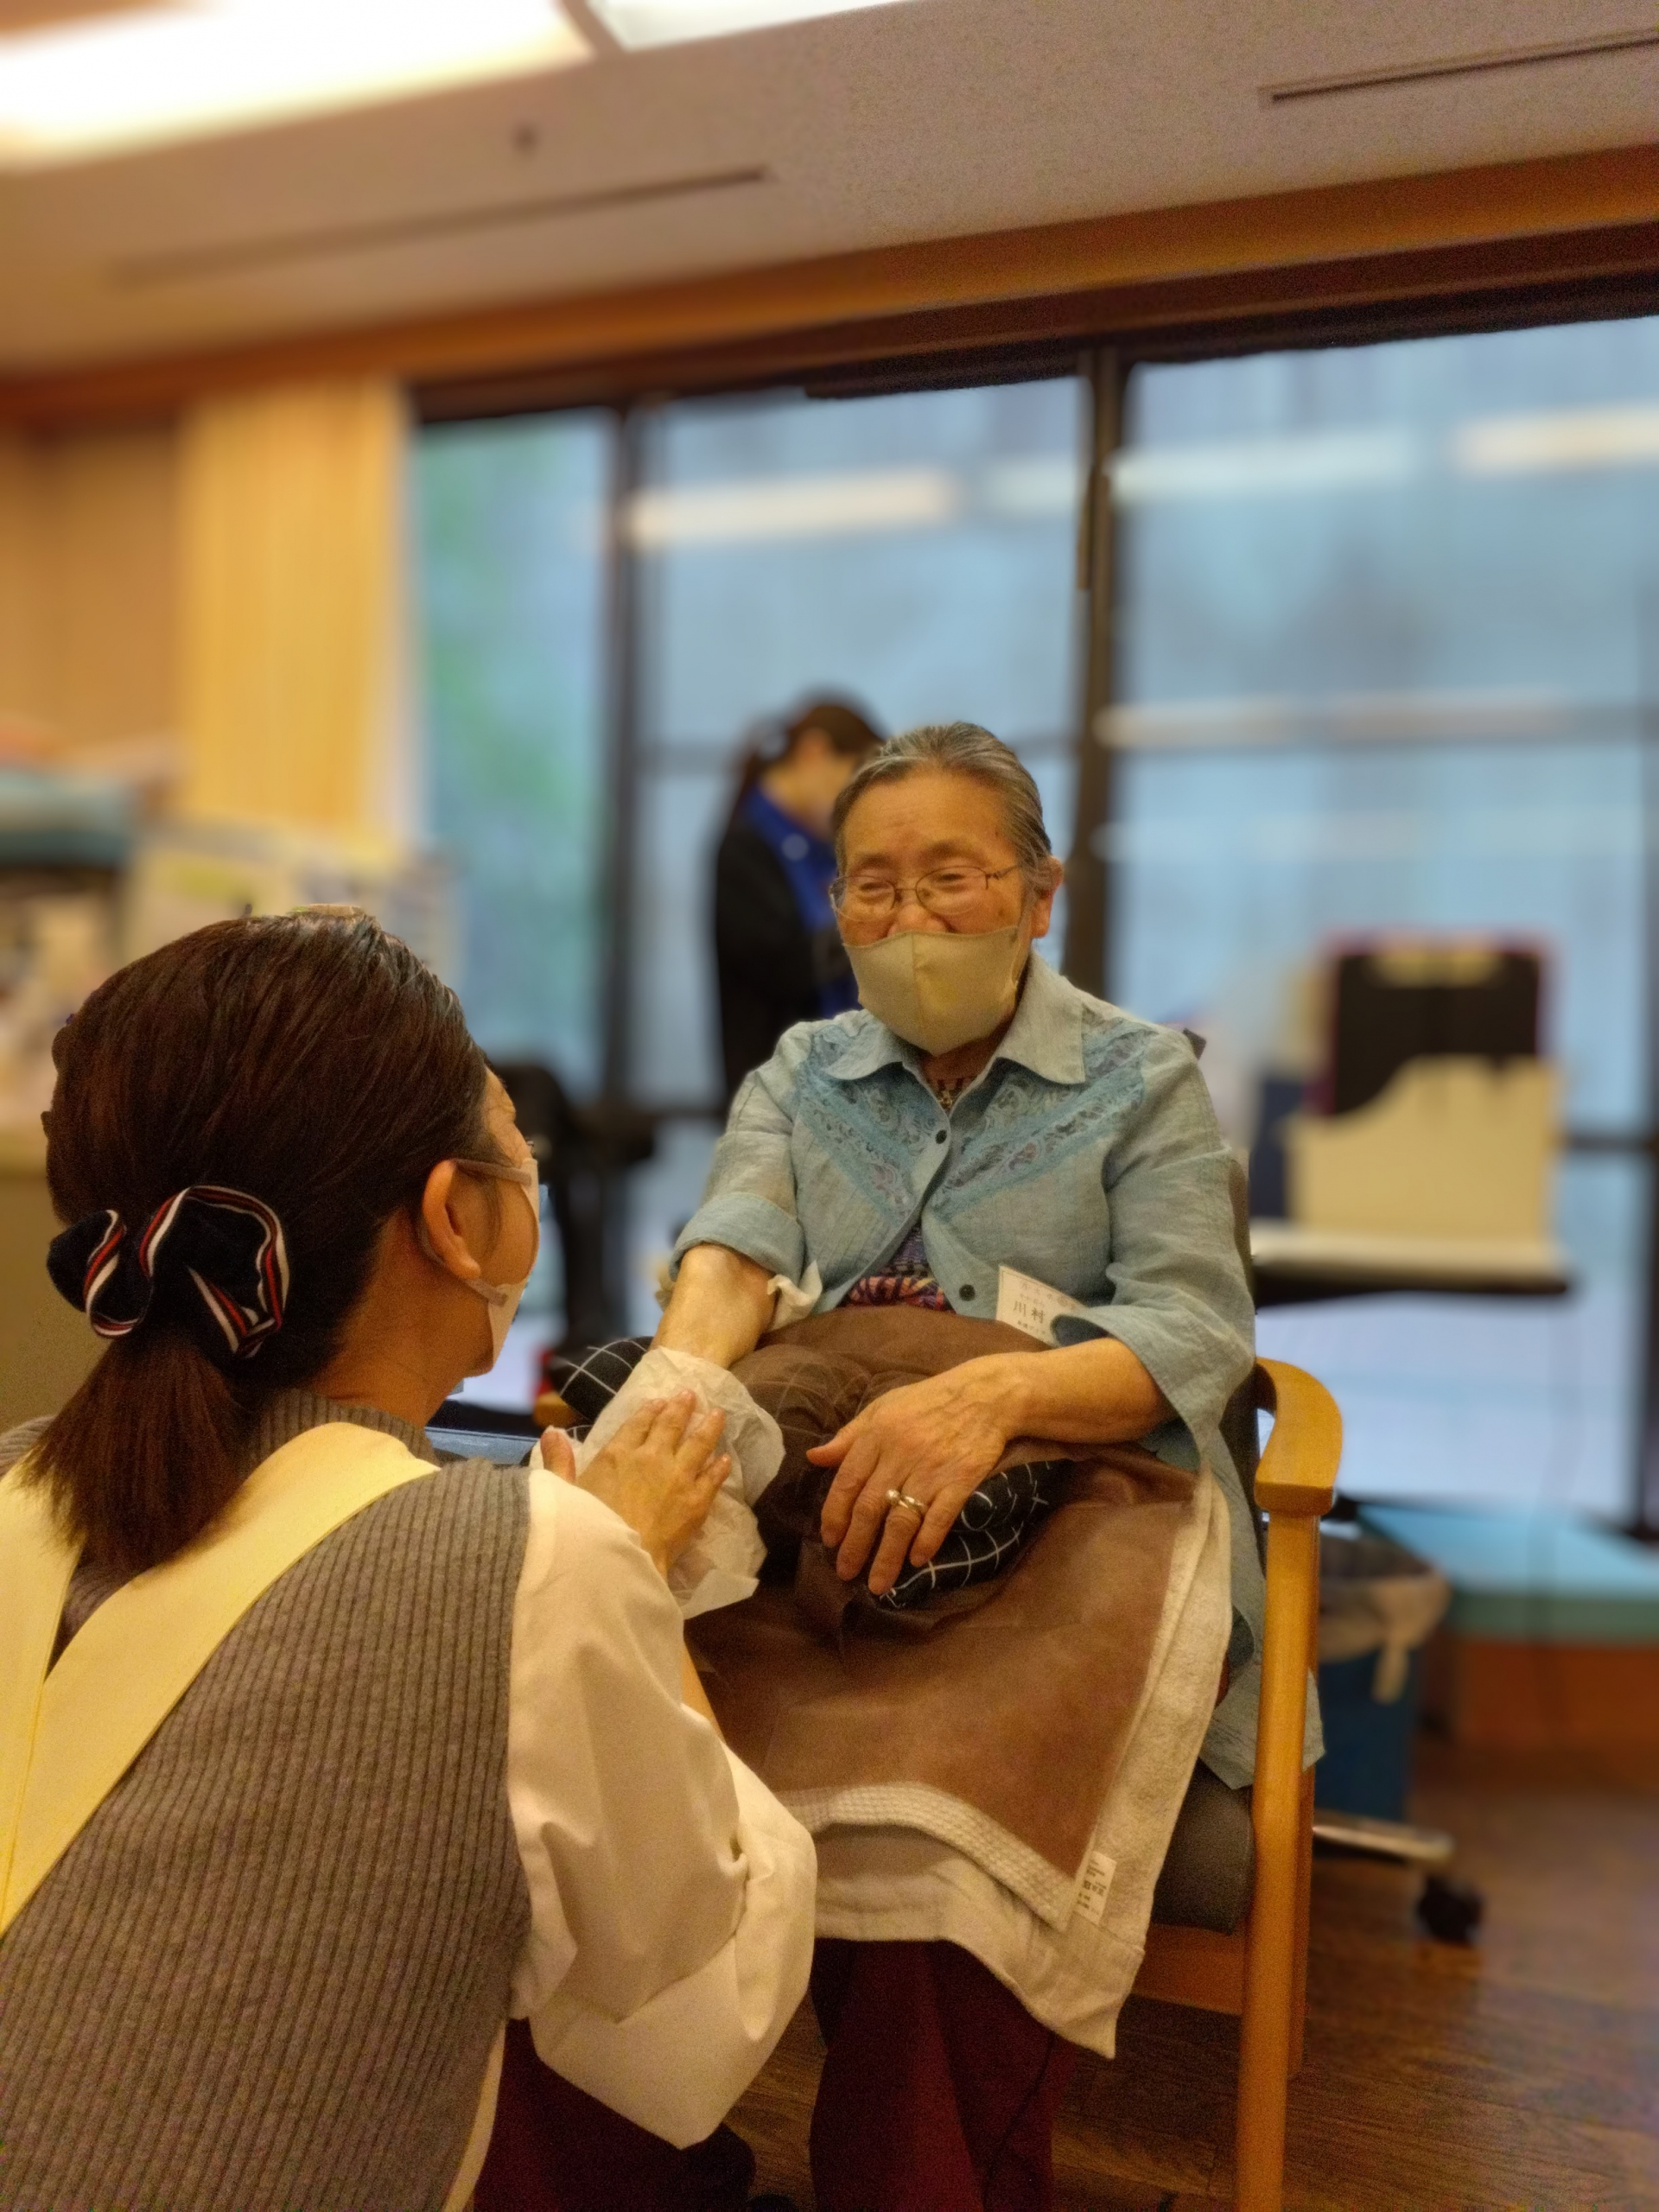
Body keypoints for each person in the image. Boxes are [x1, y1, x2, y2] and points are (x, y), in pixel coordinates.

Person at [0, 911, 815, 2212]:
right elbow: (696, 2026)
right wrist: (621, 1563)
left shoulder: (16, 1479)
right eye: (516, 1142)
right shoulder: (530, 1564)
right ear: (454, 1217)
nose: (531, 1170)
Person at [656, 721, 1263, 2212]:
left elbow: (1196, 1329)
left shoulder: (1139, 1080)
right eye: (873, 886)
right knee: (607, 1743)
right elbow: (734, 1250)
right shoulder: (805, 1072)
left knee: (944, 1822)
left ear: (1039, 895)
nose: (911, 918)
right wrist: (671, 1395)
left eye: (952, 878)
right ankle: (637, 2164)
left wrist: (993, 1394)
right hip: (826, 1495)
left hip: (1083, 1498)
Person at [713, 696, 884, 1101]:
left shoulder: (820, 848)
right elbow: (788, 964)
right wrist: (878, 918)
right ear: (814, 752)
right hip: (775, 1089)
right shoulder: (746, 847)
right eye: (853, 779)